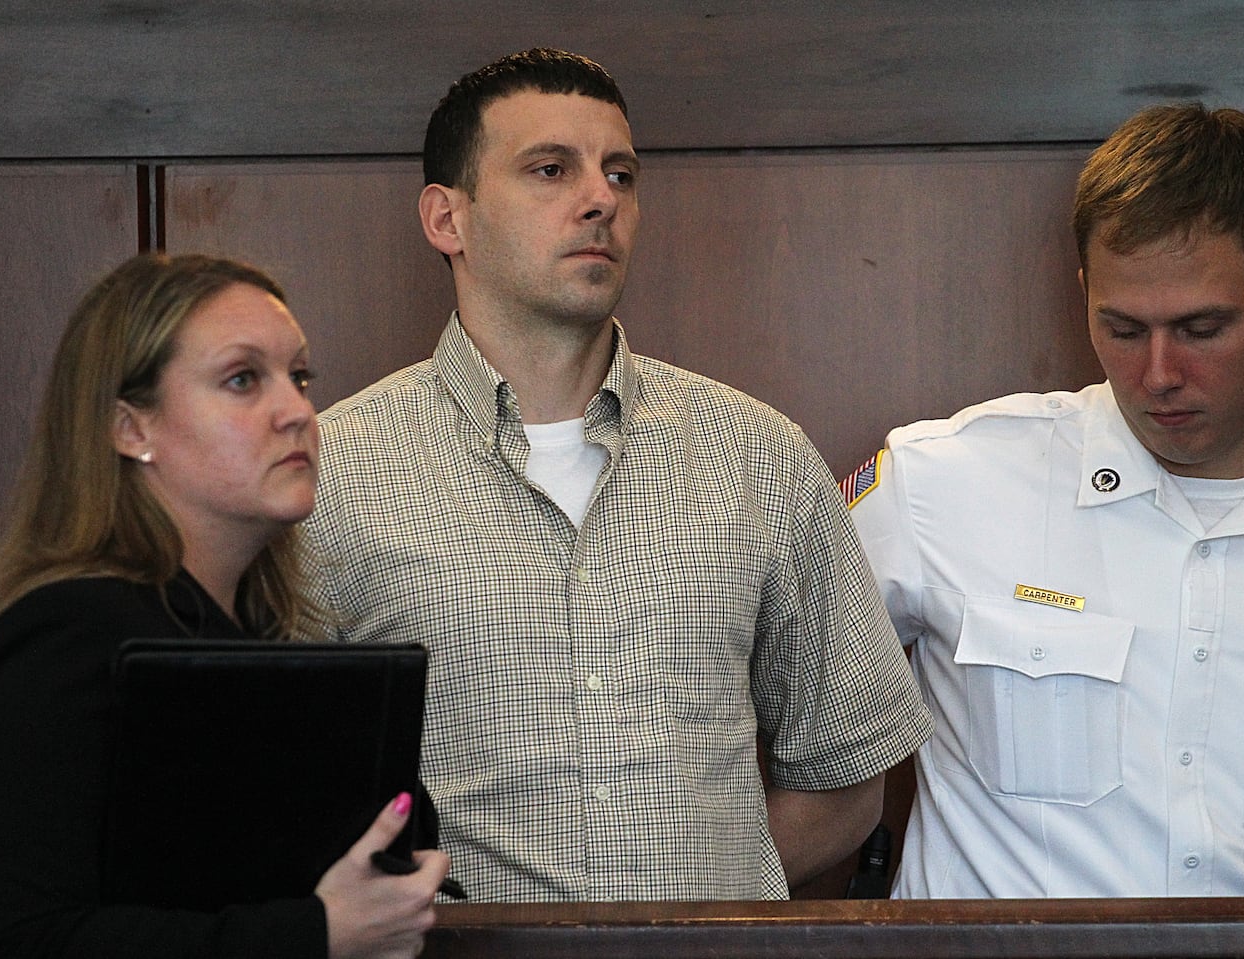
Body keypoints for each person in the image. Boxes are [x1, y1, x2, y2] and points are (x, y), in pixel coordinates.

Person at [301, 47, 932, 902]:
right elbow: (275, 796)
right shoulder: (329, 477)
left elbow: (847, 771)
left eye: (622, 174)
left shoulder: (760, 457)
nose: (601, 199)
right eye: (551, 169)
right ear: (447, 219)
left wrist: (703, 915)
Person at [846, 103, 1244, 897]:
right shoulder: (942, 482)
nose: (1159, 373)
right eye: (1123, 328)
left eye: (1202, 328)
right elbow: (724, 671)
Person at [0, 253, 451, 958]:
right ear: (132, 428)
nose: (298, 411)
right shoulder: (62, 636)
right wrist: (321, 931)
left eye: (299, 377)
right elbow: (18, 941)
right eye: (243, 379)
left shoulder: (262, 638)